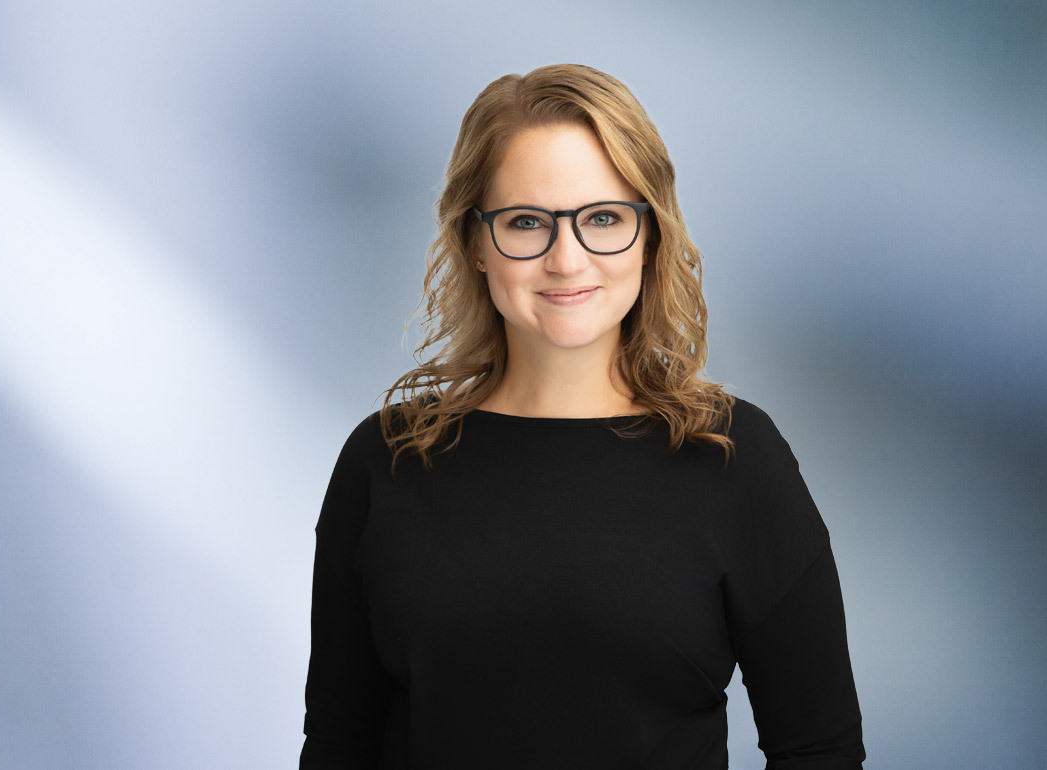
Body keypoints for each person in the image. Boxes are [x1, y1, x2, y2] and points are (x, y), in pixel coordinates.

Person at [299, 63, 864, 769]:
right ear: (474, 242)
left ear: (650, 233)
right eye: (527, 222)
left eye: (602, 218)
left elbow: (820, 750)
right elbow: (337, 746)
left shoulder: (732, 458)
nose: (567, 259)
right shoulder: (383, 463)